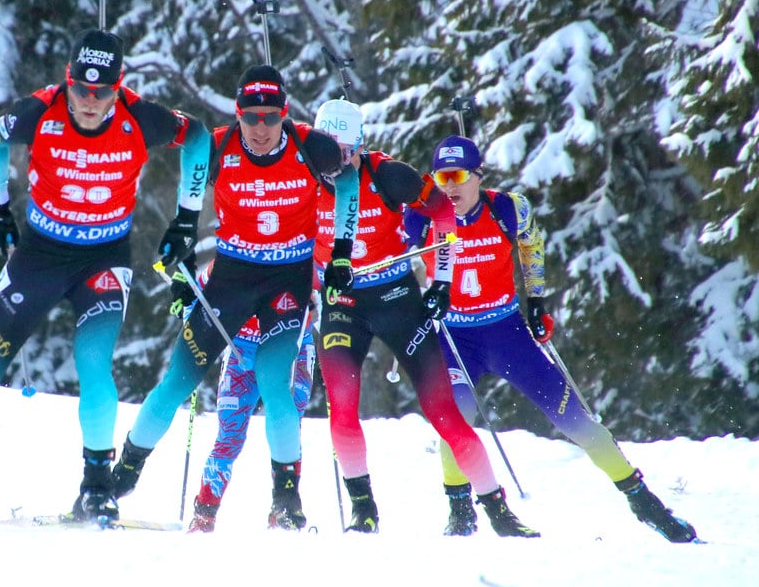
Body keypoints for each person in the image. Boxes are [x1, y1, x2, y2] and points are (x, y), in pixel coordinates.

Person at [0, 29, 211, 524]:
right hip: (38, 256)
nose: (90, 102)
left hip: (104, 260)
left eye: (103, 92)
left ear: (120, 87)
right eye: (81, 90)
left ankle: (96, 486)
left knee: (94, 367)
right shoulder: (40, 110)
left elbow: (196, 137)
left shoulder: (141, 117)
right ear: (67, 81)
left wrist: (185, 218)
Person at [405, 135, 698, 543]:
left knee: (576, 420)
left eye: (457, 176)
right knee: (455, 421)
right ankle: (460, 512)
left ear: (477, 176)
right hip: (456, 338)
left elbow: (532, 245)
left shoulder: (507, 208)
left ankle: (645, 503)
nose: (449, 187)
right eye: (441, 178)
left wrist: (537, 300)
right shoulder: (423, 216)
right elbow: (393, 255)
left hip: (506, 332)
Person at [110, 65, 360, 531]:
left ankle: (287, 497)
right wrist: (183, 230)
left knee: (275, 386)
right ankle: (121, 474)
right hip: (229, 281)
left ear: (284, 114)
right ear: (238, 113)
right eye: (251, 117)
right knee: (176, 384)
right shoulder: (222, 145)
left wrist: (342, 252)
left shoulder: (312, 146)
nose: (260, 128)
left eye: (270, 117)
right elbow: (191, 168)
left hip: (286, 285)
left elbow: (348, 184)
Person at [313, 100, 539, 537]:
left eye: (345, 151)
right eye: (327, 150)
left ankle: (497, 511)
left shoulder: (388, 175)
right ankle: (364, 510)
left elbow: (442, 213)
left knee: (444, 411)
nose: (335, 162)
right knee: (341, 410)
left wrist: (441, 280)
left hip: (397, 297)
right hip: (342, 304)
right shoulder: (303, 173)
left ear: (360, 146)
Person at [170, 261, 317, 533]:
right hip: (242, 352)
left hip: (289, 350)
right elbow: (197, 292)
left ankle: (284, 508)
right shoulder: (233, 256)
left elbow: (326, 287)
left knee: (287, 426)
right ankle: (204, 513)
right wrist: (187, 305)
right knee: (230, 434)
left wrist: (320, 300)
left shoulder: (297, 253)